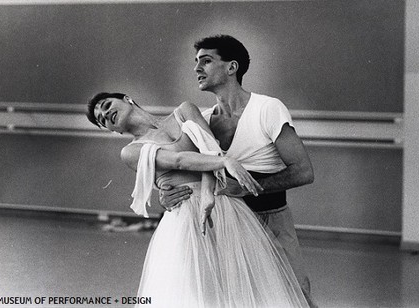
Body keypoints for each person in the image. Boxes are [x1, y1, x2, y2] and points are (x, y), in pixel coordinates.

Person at [86, 92, 309, 307]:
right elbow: (179, 160)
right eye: (101, 120)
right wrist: (224, 163)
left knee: (244, 287)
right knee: (198, 291)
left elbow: (210, 149)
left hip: (224, 207)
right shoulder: (131, 151)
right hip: (185, 220)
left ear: (127, 99)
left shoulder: (184, 111)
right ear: (110, 130)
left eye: (106, 106)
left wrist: (207, 193)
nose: (106, 114)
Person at [160, 34, 318, 307]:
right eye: (196, 62)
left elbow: (303, 171)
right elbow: (181, 167)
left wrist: (245, 187)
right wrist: (166, 194)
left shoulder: (267, 108)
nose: (197, 68)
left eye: (206, 61)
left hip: (269, 221)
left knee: (293, 298)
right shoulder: (203, 119)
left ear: (232, 67)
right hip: (222, 227)